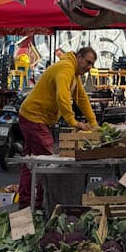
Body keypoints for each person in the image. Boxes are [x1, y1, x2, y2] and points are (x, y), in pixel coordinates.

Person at [17, 46, 99, 208]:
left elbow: (81, 98)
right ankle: (42, 203)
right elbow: (62, 96)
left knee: (32, 161)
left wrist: (93, 122)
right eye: (88, 62)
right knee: (48, 163)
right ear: (79, 57)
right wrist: (73, 122)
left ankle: (27, 201)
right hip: (34, 117)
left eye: (92, 64)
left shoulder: (73, 73)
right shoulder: (65, 68)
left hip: (34, 117)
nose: (89, 67)